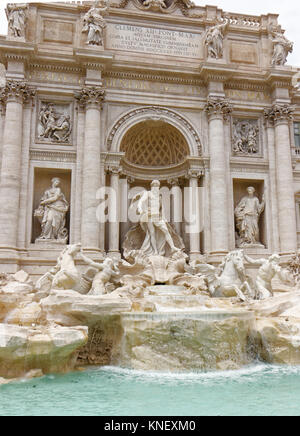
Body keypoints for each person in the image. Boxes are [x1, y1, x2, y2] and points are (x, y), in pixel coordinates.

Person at [135, 180, 181, 256]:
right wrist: (140, 208)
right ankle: (155, 251)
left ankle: (172, 247)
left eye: (157, 185)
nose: (156, 187)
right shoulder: (148, 193)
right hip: (149, 216)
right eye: (154, 185)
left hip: (157, 216)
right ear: (152, 186)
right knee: (152, 233)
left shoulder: (159, 196)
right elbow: (141, 201)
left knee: (165, 230)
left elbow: (161, 208)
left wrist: (164, 218)